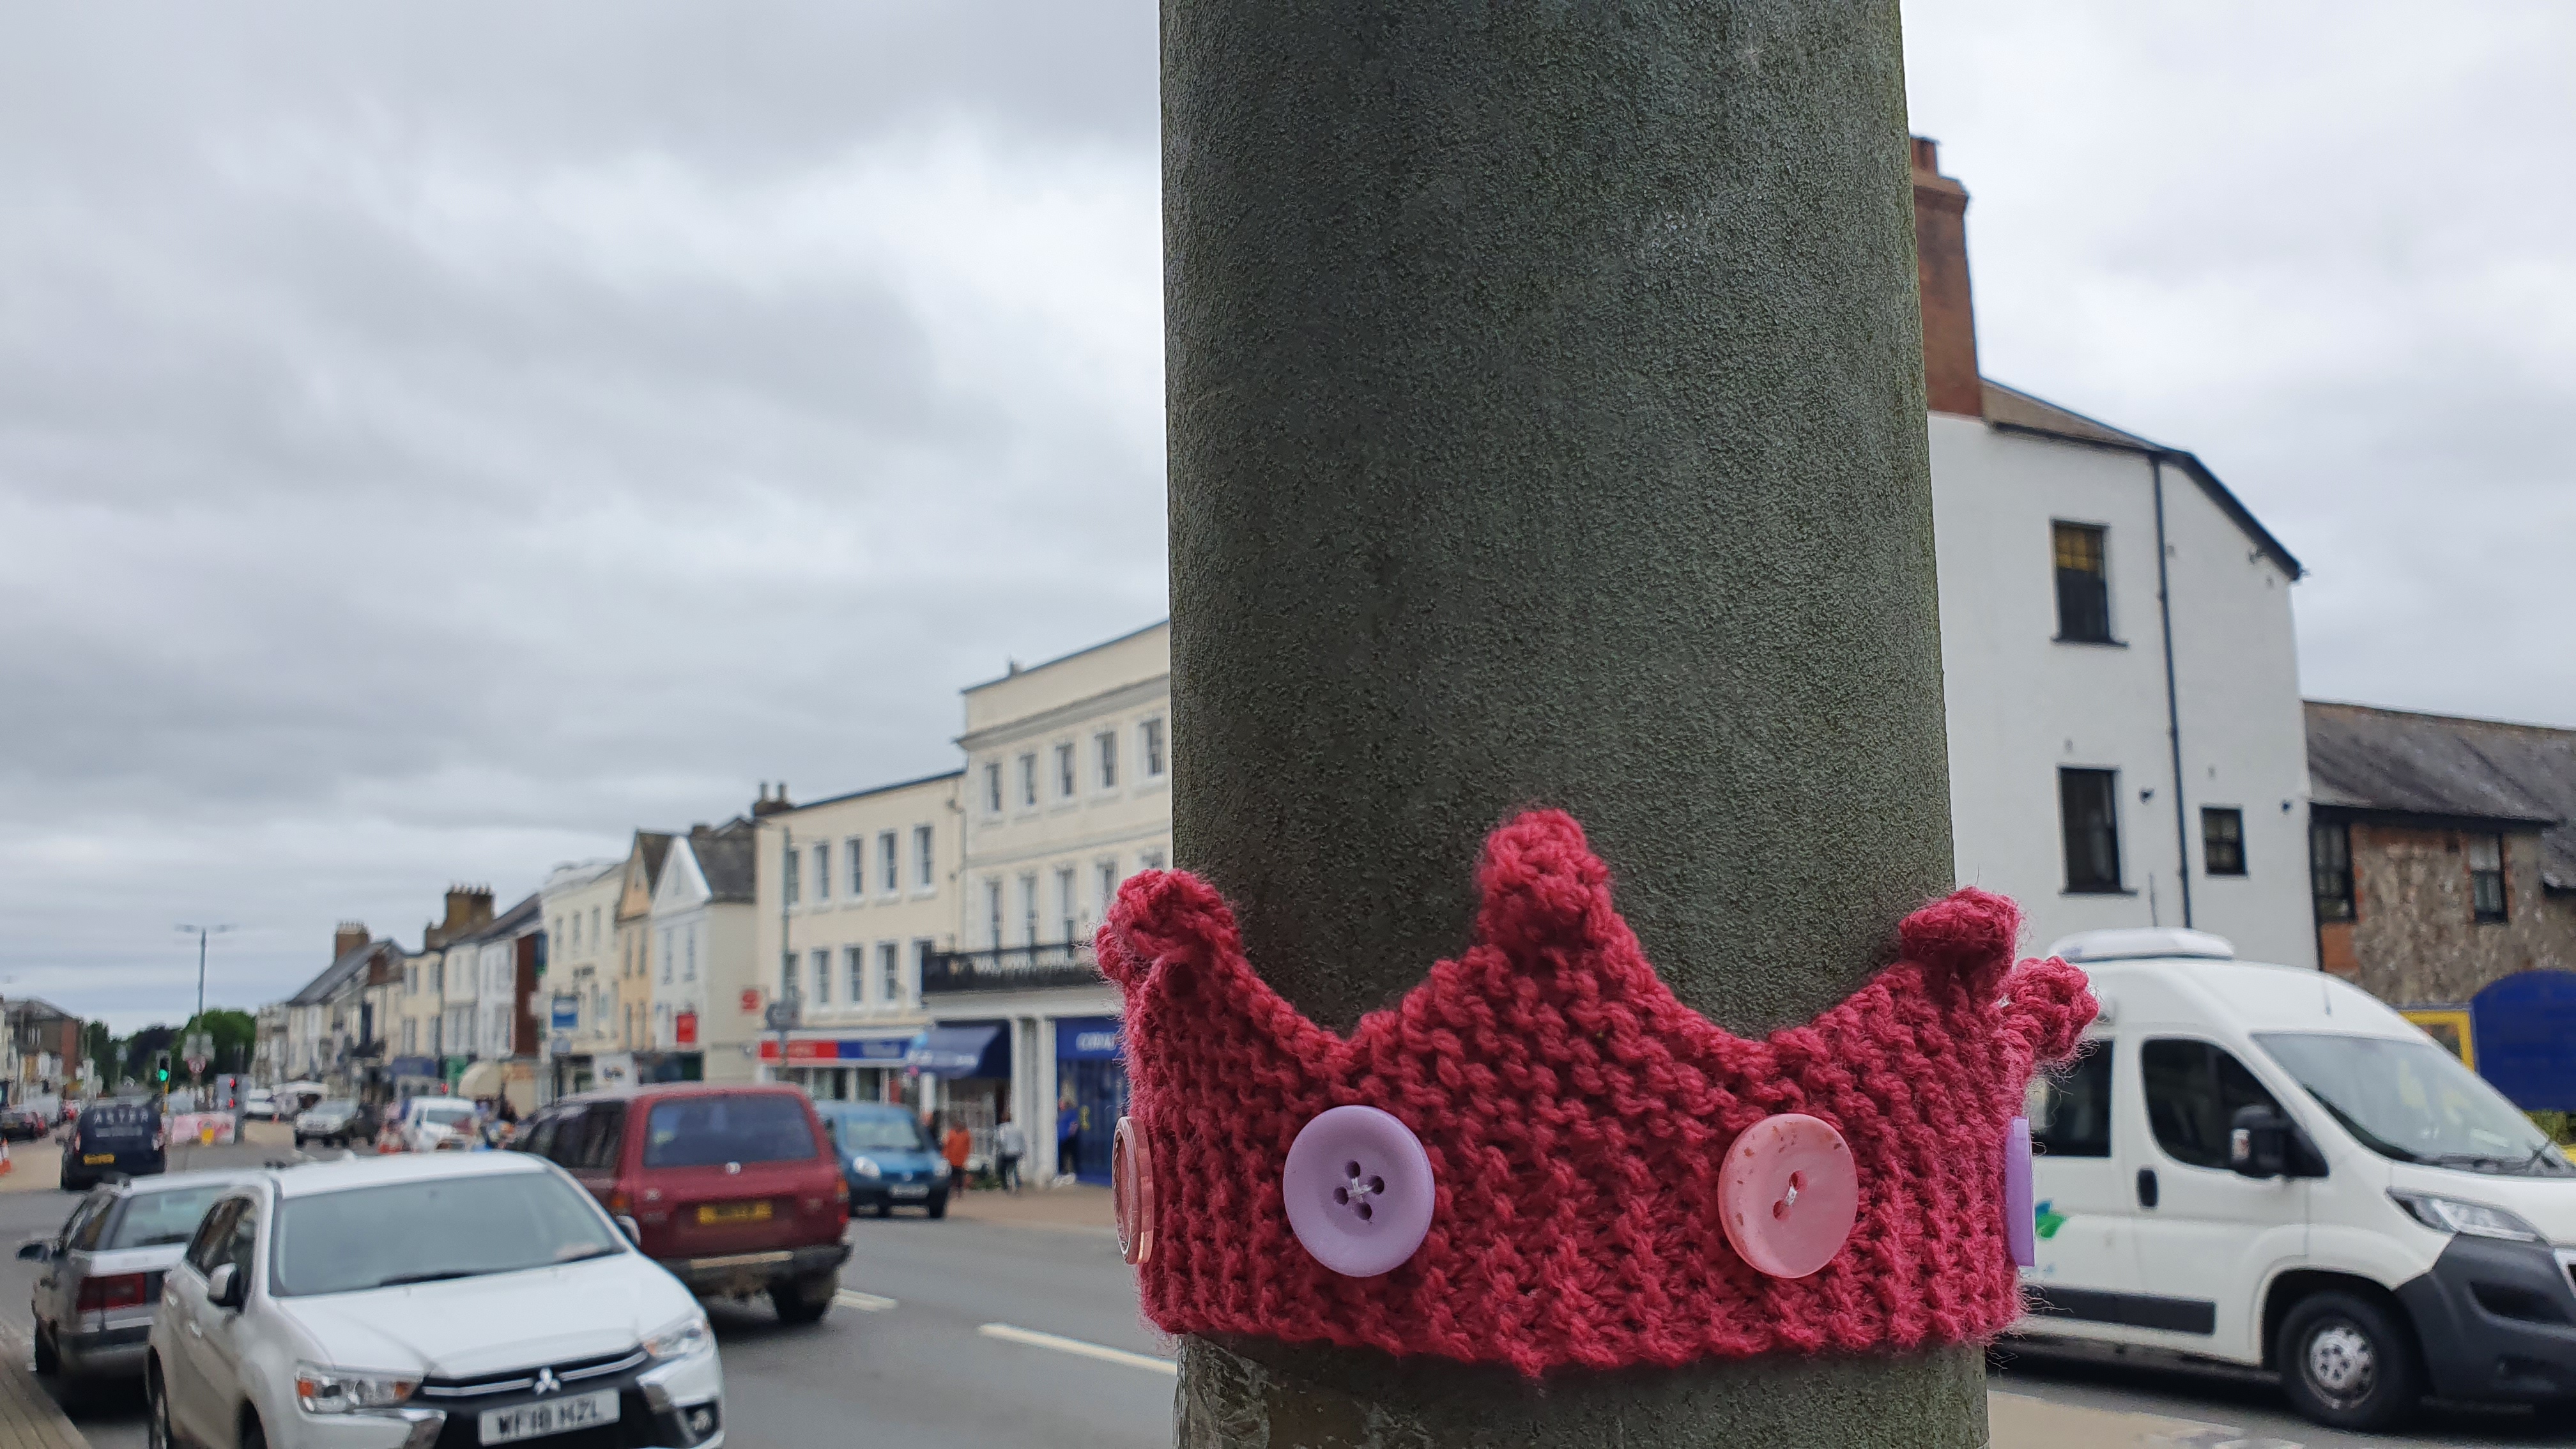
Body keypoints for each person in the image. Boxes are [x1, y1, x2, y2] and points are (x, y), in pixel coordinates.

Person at [993, 1111, 1025, 1193]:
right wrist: (1022, 1151)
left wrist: (998, 1151)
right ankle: (1017, 1184)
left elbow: (1000, 1141)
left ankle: (1006, 1186)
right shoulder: (1017, 1129)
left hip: (1006, 1152)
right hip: (1017, 1152)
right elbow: (1022, 1140)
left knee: (1002, 1169)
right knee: (1014, 1168)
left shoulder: (1002, 1129)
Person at [942, 1118, 972, 1192]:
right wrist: (944, 1155)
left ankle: (959, 1190)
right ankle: (950, 1189)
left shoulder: (966, 1135)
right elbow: (946, 1144)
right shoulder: (951, 1133)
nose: (958, 1127)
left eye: (960, 1126)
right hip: (951, 1158)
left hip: (961, 1159)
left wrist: (966, 1158)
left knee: (960, 1176)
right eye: (957, 1125)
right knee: (951, 1175)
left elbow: (968, 1147)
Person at [1057, 1096, 1080, 1185]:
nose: (1060, 1105)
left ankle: (1074, 1172)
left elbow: (1074, 1124)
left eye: (1061, 1103)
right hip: (1062, 1138)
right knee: (1063, 1156)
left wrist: (1071, 1134)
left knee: (1072, 1155)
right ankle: (1064, 1171)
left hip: (1069, 1138)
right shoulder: (1061, 1113)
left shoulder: (1071, 1113)